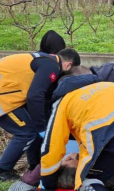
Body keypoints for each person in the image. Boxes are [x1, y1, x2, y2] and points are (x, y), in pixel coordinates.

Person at [0, 48, 81, 181]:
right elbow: (35, 96)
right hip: (4, 98)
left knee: (30, 130)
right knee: (27, 132)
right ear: (68, 65)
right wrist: (41, 128)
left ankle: (33, 165)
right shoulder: (52, 66)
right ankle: (3, 170)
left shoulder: (45, 59)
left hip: (7, 93)